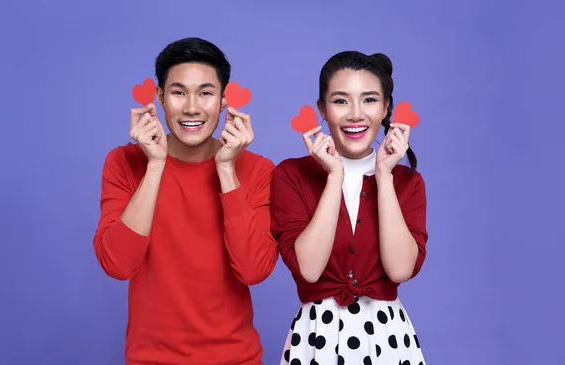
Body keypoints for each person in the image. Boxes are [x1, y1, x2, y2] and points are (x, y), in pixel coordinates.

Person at [92, 37, 278, 365]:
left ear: (223, 100)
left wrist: (226, 168)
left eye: (205, 93)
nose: (192, 107)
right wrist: (155, 165)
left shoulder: (258, 170)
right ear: (161, 98)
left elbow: (254, 270)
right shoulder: (123, 162)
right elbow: (117, 265)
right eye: (178, 92)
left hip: (237, 358)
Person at [271, 51, 428, 365]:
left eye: (369, 100)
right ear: (322, 109)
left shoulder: (407, 181)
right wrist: (334, 177)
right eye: (341, 101)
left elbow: (399, 269)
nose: (355, 114)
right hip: (316, 337)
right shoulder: (290, 174)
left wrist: (383, 174)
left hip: (387, 338)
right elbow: (309, 270)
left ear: (386, 108)